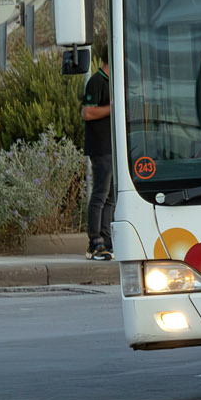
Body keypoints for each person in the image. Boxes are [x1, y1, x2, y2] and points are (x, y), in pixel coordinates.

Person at [81, 43, 115, 261]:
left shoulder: (112, 82)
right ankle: (95, 241)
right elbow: (88, 112)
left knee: (111, 196)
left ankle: (106, 239)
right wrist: (113, 107)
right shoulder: (97, 81)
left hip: (111, 148)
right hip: (100, 147)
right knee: (100, 194)